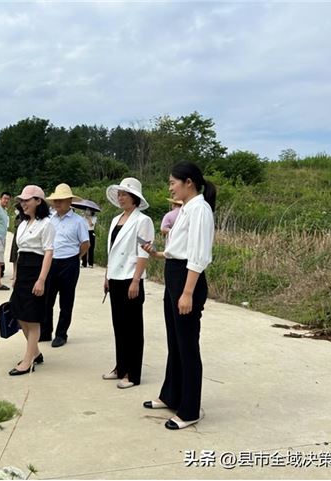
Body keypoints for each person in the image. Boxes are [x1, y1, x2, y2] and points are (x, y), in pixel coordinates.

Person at [142, 161, 216, 430]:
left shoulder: (200, 209)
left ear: (189, 183)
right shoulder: (185, 209)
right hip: (175, 274)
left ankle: (189, 409)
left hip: (187, 280)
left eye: (173, 182)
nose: (170, 188)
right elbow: (180, 249)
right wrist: (158, 254)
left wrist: (187, 293)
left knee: (187, 345)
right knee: (174, 341)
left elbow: (198, 255)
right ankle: (171, 395)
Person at [103, 178, 154, 389]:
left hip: (130, 278)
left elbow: (143, 252)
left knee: (132, 328)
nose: (120, 197)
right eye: (119, 194)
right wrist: (107, 275)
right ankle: (121, 366)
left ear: (134, 198)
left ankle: (133, 374)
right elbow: (112, 251)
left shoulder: (143, 221)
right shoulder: (116, 219)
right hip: (115, 277)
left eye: (124, 194)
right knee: (119, 325)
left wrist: (136, 280)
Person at [8, 185, 55, 376]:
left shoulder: (47, 224)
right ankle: (35, 352)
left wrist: (41, 279)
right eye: (22, 200)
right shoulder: (23, 224)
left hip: (37, 270)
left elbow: (48, 252)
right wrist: (16, 275)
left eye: (27, 200)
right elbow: (19, 252)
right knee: (19, 313)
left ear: (38, 201)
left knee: (32, 318)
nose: (23, 203)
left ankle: (28, 361)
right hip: (23, 271)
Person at [41, 183, 89, 347]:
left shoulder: (78, 221)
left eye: (61, 200)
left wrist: (76, 257)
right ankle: (45, 331)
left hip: (69, 262)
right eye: (56, 200)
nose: (57, 203)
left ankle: (61, 334)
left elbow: (85, 244)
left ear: (70, 201)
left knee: (66, 301)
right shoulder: (50, 219)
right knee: (47, 299)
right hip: (51, 261)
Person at [8, 204, 23, 280]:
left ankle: (16, 274)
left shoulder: (23, 217)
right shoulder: (18, 217)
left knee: (17, 256)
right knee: (14, 256)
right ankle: (14, 273)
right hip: (16, 236)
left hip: (20, 237)